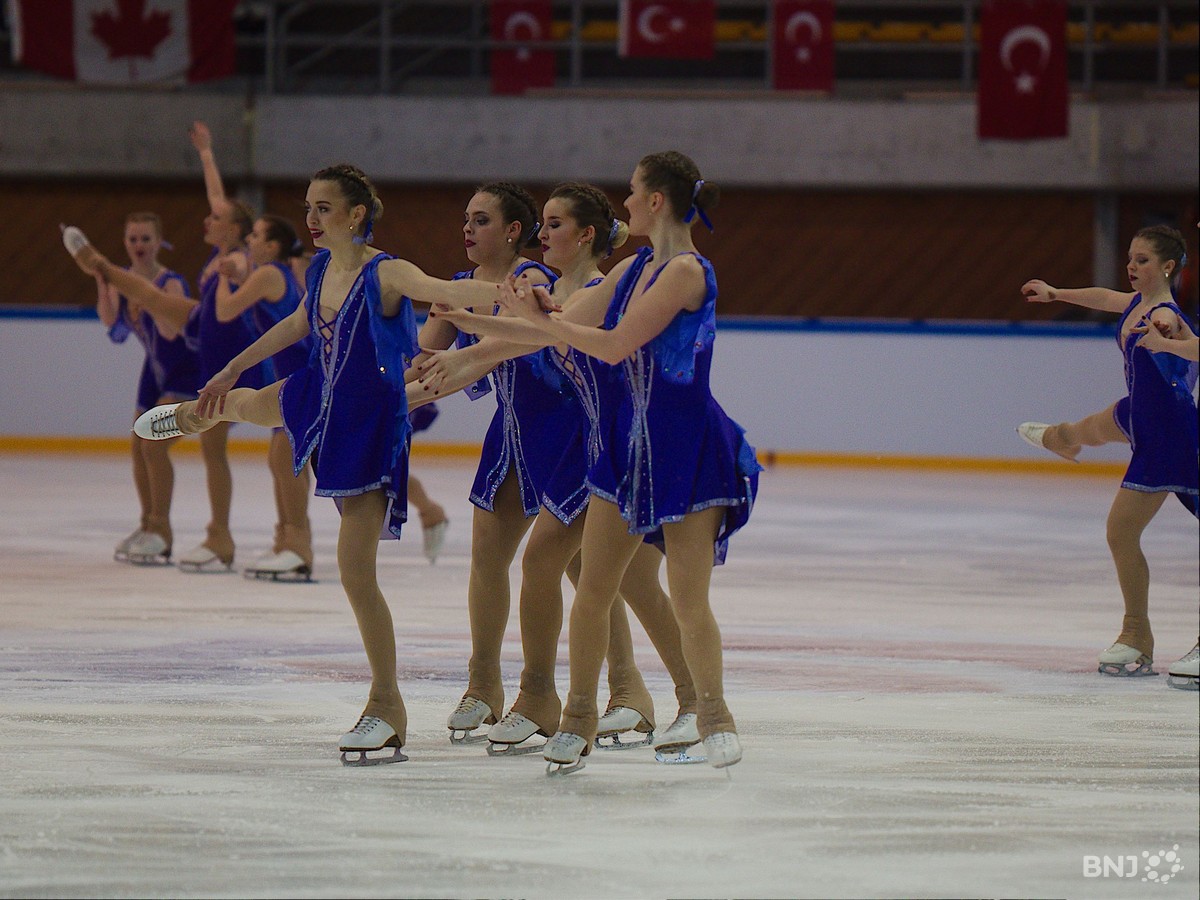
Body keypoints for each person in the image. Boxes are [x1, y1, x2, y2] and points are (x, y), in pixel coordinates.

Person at [69, 164, 536, 763]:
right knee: (247, 403)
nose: (310, 220)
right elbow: (296, 323)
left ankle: (386, 704)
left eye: (323, 208)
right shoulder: (319, 270)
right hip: (319, 389)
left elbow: (441, 289)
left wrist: (509, 295)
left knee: (354, 569)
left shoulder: (385, 271)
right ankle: (191, 416)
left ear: (356, 214)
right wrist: (233, 365)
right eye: (309, 208)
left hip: (369, 422)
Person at [454, 152, 761, 772]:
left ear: (656, 201)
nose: (624, 203)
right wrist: (493, 320)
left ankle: (713, 717)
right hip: (625, 447)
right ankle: (577, 721)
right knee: (594, 590)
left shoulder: (685, 272)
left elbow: (617, 346)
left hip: (685, 446)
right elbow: (559, 328)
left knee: (687, 594)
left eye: (632, 191)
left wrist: (538, 319)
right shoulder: (632, 268)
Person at [415, 183, 697, 756]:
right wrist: (459, 348)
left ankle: (648, 703)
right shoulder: (558, 291)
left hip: (609, 444)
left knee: (609, 577)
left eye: (554, 224)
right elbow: (520, 341)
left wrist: (471, 330)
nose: (544, 235)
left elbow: (567, 341)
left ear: (586, 234)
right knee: (608, 578)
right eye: (543, 224)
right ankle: (617, 698)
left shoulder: (592, 288)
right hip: (588, 447)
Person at [1017, 225, 1198, 681]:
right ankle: (1062, 439)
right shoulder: (1137, 302)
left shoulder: (1165, 315)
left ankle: (1136, 634)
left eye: (1142, 261)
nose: (1132, 267)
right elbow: (1104, 297)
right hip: (1140, 415)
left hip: (1168, 437)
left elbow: (1189, 343)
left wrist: (1167, 342)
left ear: (1167, 268)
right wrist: (1056, 292)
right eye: (1131, 259)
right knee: (1095, 426)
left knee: (1120, 531)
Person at [212, 213, 316, 581]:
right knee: (282, 459)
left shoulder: (269, 274)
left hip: (299, 373)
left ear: (272, 247)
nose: (250, 240)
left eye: (255, 235)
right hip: (292, 373)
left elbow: (225, 311)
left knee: (285, 458)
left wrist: (223, 280)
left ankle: (297, 547)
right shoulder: (275, 275)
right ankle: (287, 541)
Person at [97, 211, 197, 565]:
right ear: (126, 243)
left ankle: (163, 531)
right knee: (137, 446)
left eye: (145, 239)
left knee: (153, 445)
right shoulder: (121, 281)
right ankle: (147, 525)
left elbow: (172, 332)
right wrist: (104, 282)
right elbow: (113, 326)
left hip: (186, 372)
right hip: (154, 371)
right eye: (133, 239)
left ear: (158, 242)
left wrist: (148, 299)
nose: (139, 246)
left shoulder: (171, 282)